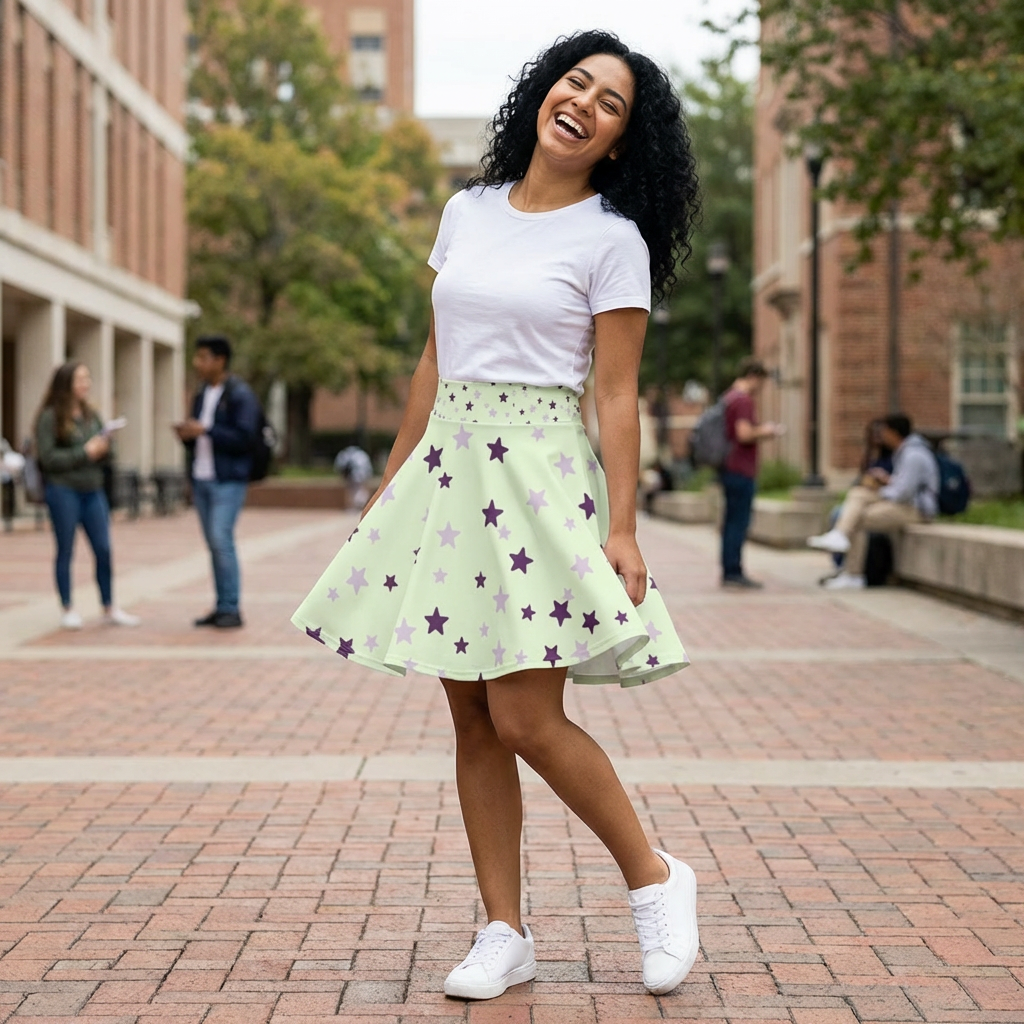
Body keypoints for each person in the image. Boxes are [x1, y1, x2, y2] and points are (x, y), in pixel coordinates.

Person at [292, 31, 701, 1001]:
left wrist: (623, 528)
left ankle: (654, 877)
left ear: (619, 140)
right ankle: (503, 930)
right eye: (576, 83)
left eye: (610, 103)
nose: (584, 103)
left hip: (539, 481)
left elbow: (615, 395)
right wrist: (392, 484)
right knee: (473, 718)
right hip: (451, 476)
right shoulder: (466, 210)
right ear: (543, 93)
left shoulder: (611, 238)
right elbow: (434, 361)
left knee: (525, 715)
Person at [34, 362, 139, 629]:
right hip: (63, 490)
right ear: (66, 383)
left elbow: (107, 454)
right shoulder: (50, 417)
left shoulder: (92, 415)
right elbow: (48, 458)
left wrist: (105, 447)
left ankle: (109, 606)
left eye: (87, 378)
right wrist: (84, 452)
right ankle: (67, 607)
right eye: (80, 379)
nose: (85, 383)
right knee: (65, 549)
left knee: (103, 548)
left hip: (93, 490)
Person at [174, 335, 259, 628]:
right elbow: (200, 436)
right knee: (213, 543)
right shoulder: (201, 393)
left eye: (203, 357)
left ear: (220, 360)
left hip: (228, 480)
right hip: (202, 478)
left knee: (221, 539)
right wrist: (188, 435)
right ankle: (222, 605)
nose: (197, 363)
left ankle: (231, 608)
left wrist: (206, 430)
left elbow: (245, 437)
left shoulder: (239, 394)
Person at [808, 413, 939, 589]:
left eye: (884, 431)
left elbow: (904, 493)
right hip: (904, 504)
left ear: (894, 432)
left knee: (859, 518)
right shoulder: (904, 451)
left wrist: (880, 492)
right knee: (858, 493)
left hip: (916, 510)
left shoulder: (913, 455)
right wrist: (886, 481)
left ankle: (853, 573)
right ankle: (840, 538)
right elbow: (903, 485)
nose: (882, 435)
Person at [719, 360, 782, 589]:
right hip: (740, 468)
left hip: (728, 467)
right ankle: (733, 571)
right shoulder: (743, 400)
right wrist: (767, 431)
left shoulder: (728, 397)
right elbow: (743, 434)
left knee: (730, 521)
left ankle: (729, 570)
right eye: (762, 382)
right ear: (754, 376)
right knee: (738, 522)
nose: (762, 388)